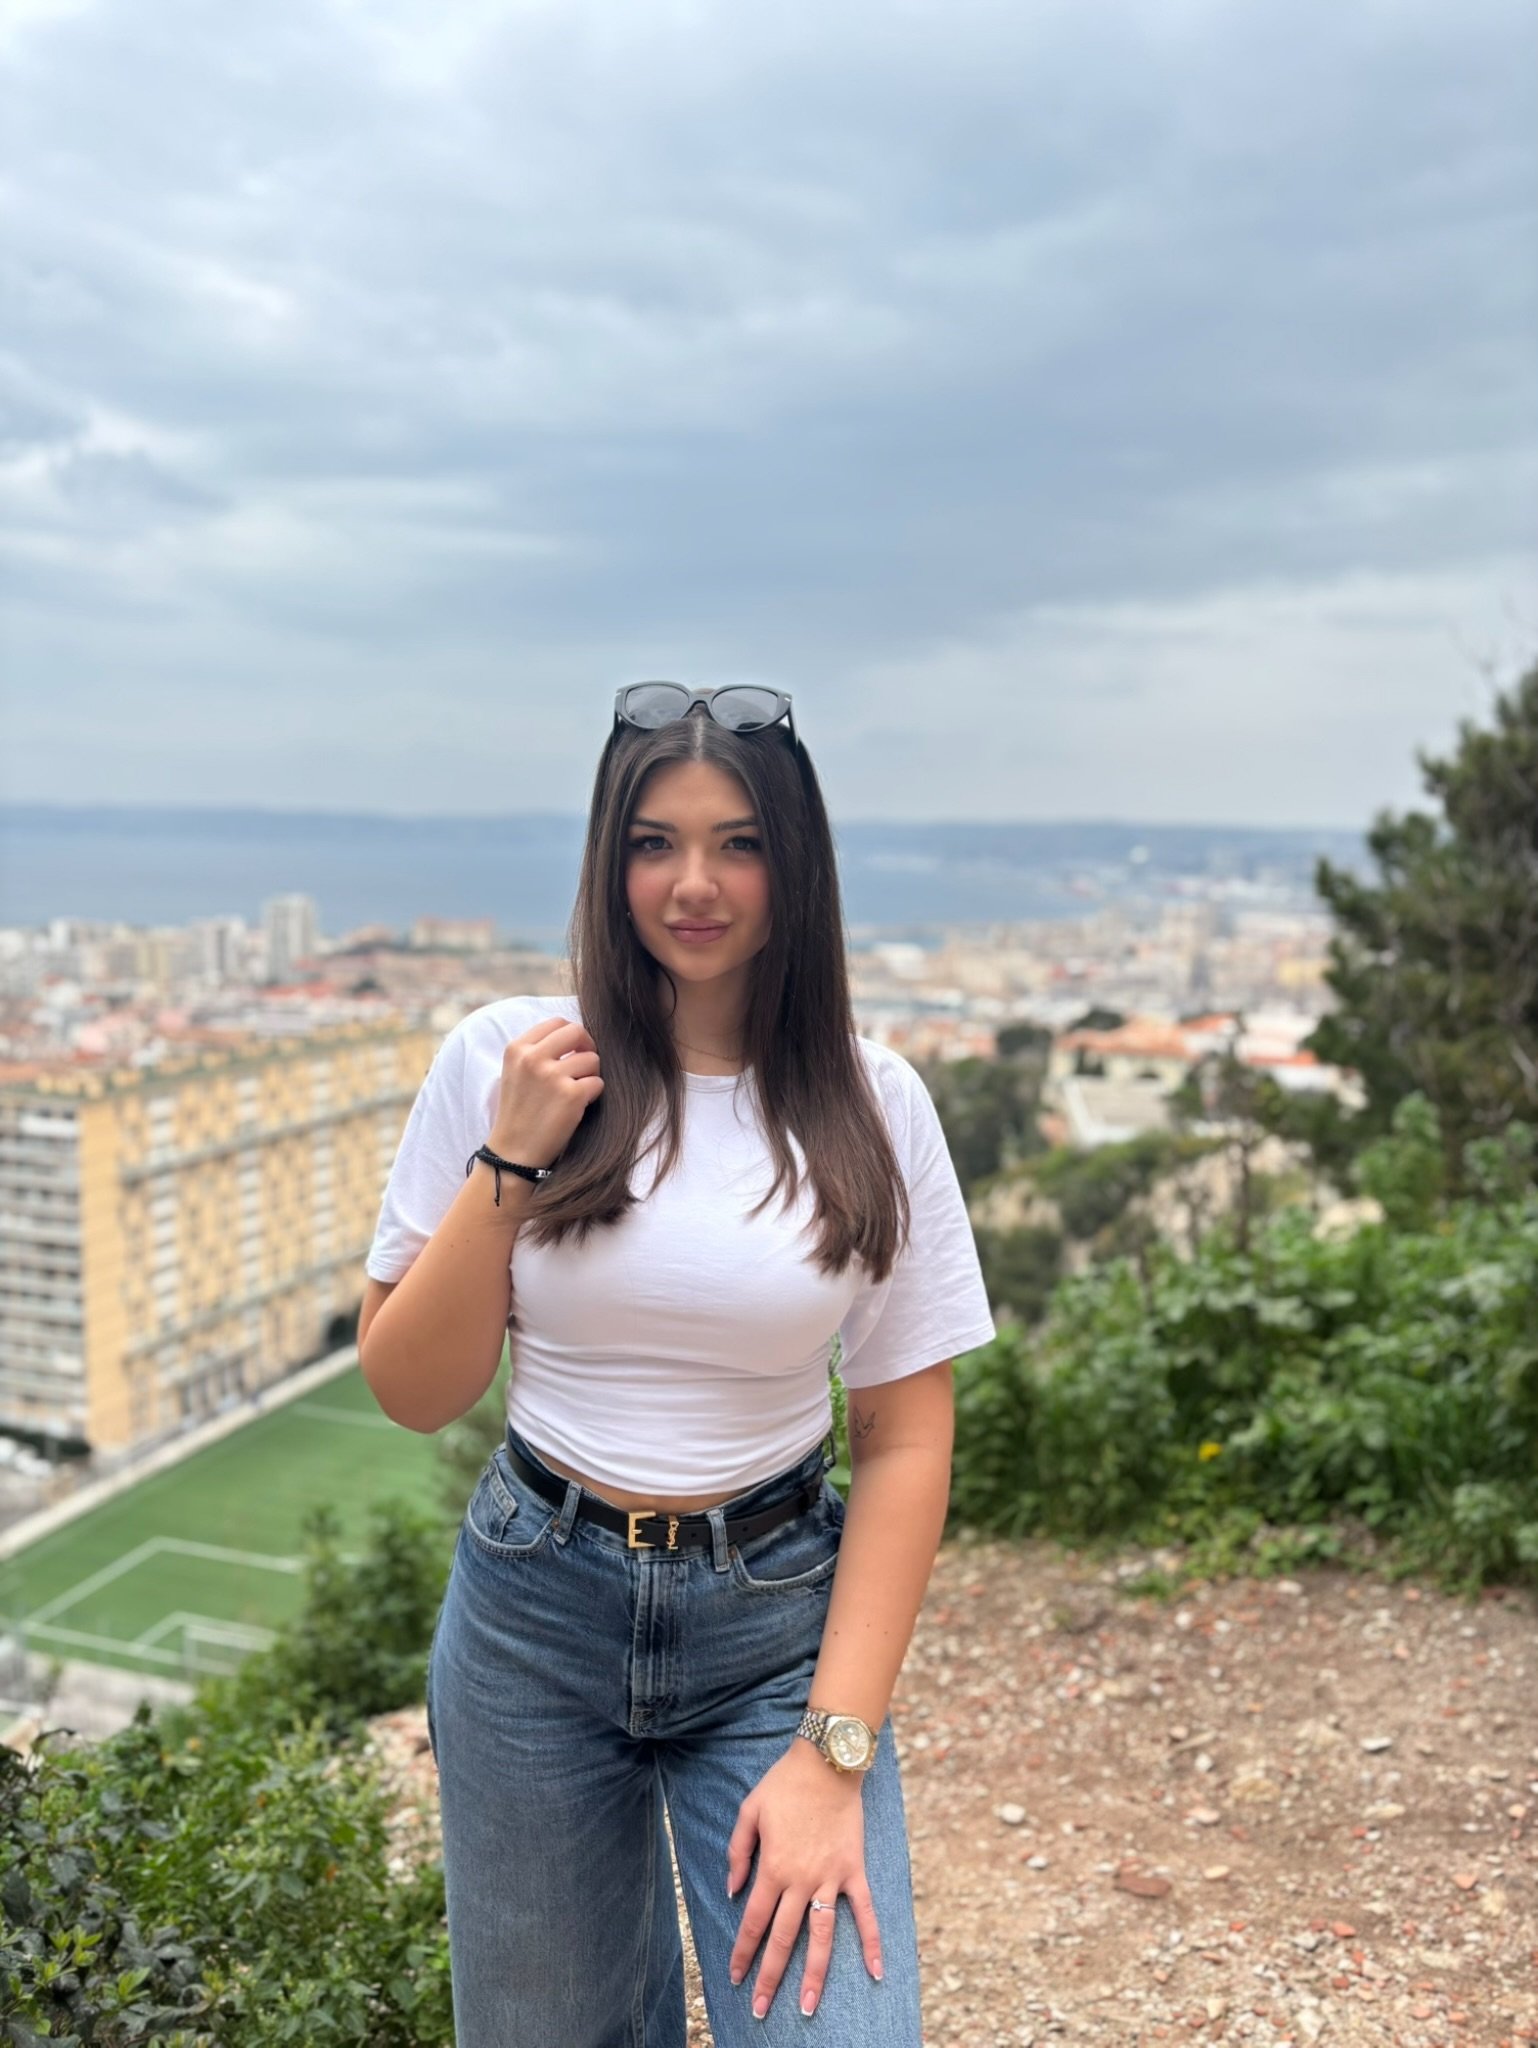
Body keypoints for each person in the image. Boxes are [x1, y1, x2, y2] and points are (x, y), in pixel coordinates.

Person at [357, 682, 996, 2047]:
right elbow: (413, 1391)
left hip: (773, 1626)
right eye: (654, 843)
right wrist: (511, 1159)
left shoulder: (875, 1102)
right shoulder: (506, 1059)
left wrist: (834, 1752)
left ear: (795, 865)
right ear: (610, 859)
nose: (692, 884)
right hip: (532, 1615)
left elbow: (904, 1437)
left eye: (738, 843)